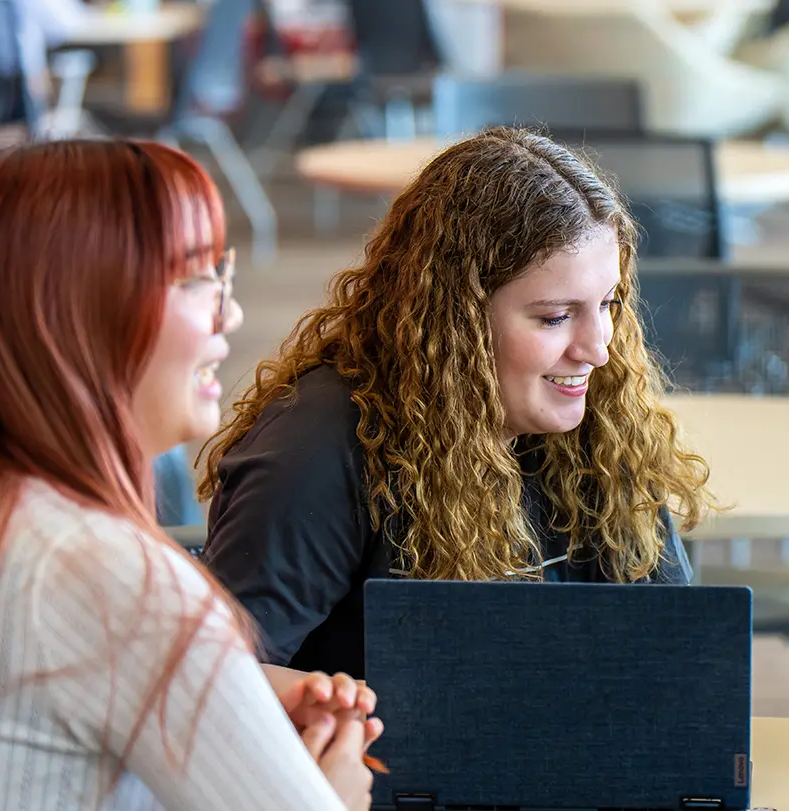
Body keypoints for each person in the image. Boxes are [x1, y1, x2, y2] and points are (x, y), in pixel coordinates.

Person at [0, 140, 381, 811]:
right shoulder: (111, 577)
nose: (230, 312)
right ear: (78, 317)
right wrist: (334, 788)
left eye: (224, 274)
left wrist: (228, 689)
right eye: (193, 280)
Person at [198, 127, 713, 682]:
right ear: (455, 321)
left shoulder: (605, 427)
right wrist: (366, 711)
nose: (598, 348)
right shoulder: (317, 448)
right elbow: (214, 681)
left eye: (608, 304)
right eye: (555, 317)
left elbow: (672, 655)